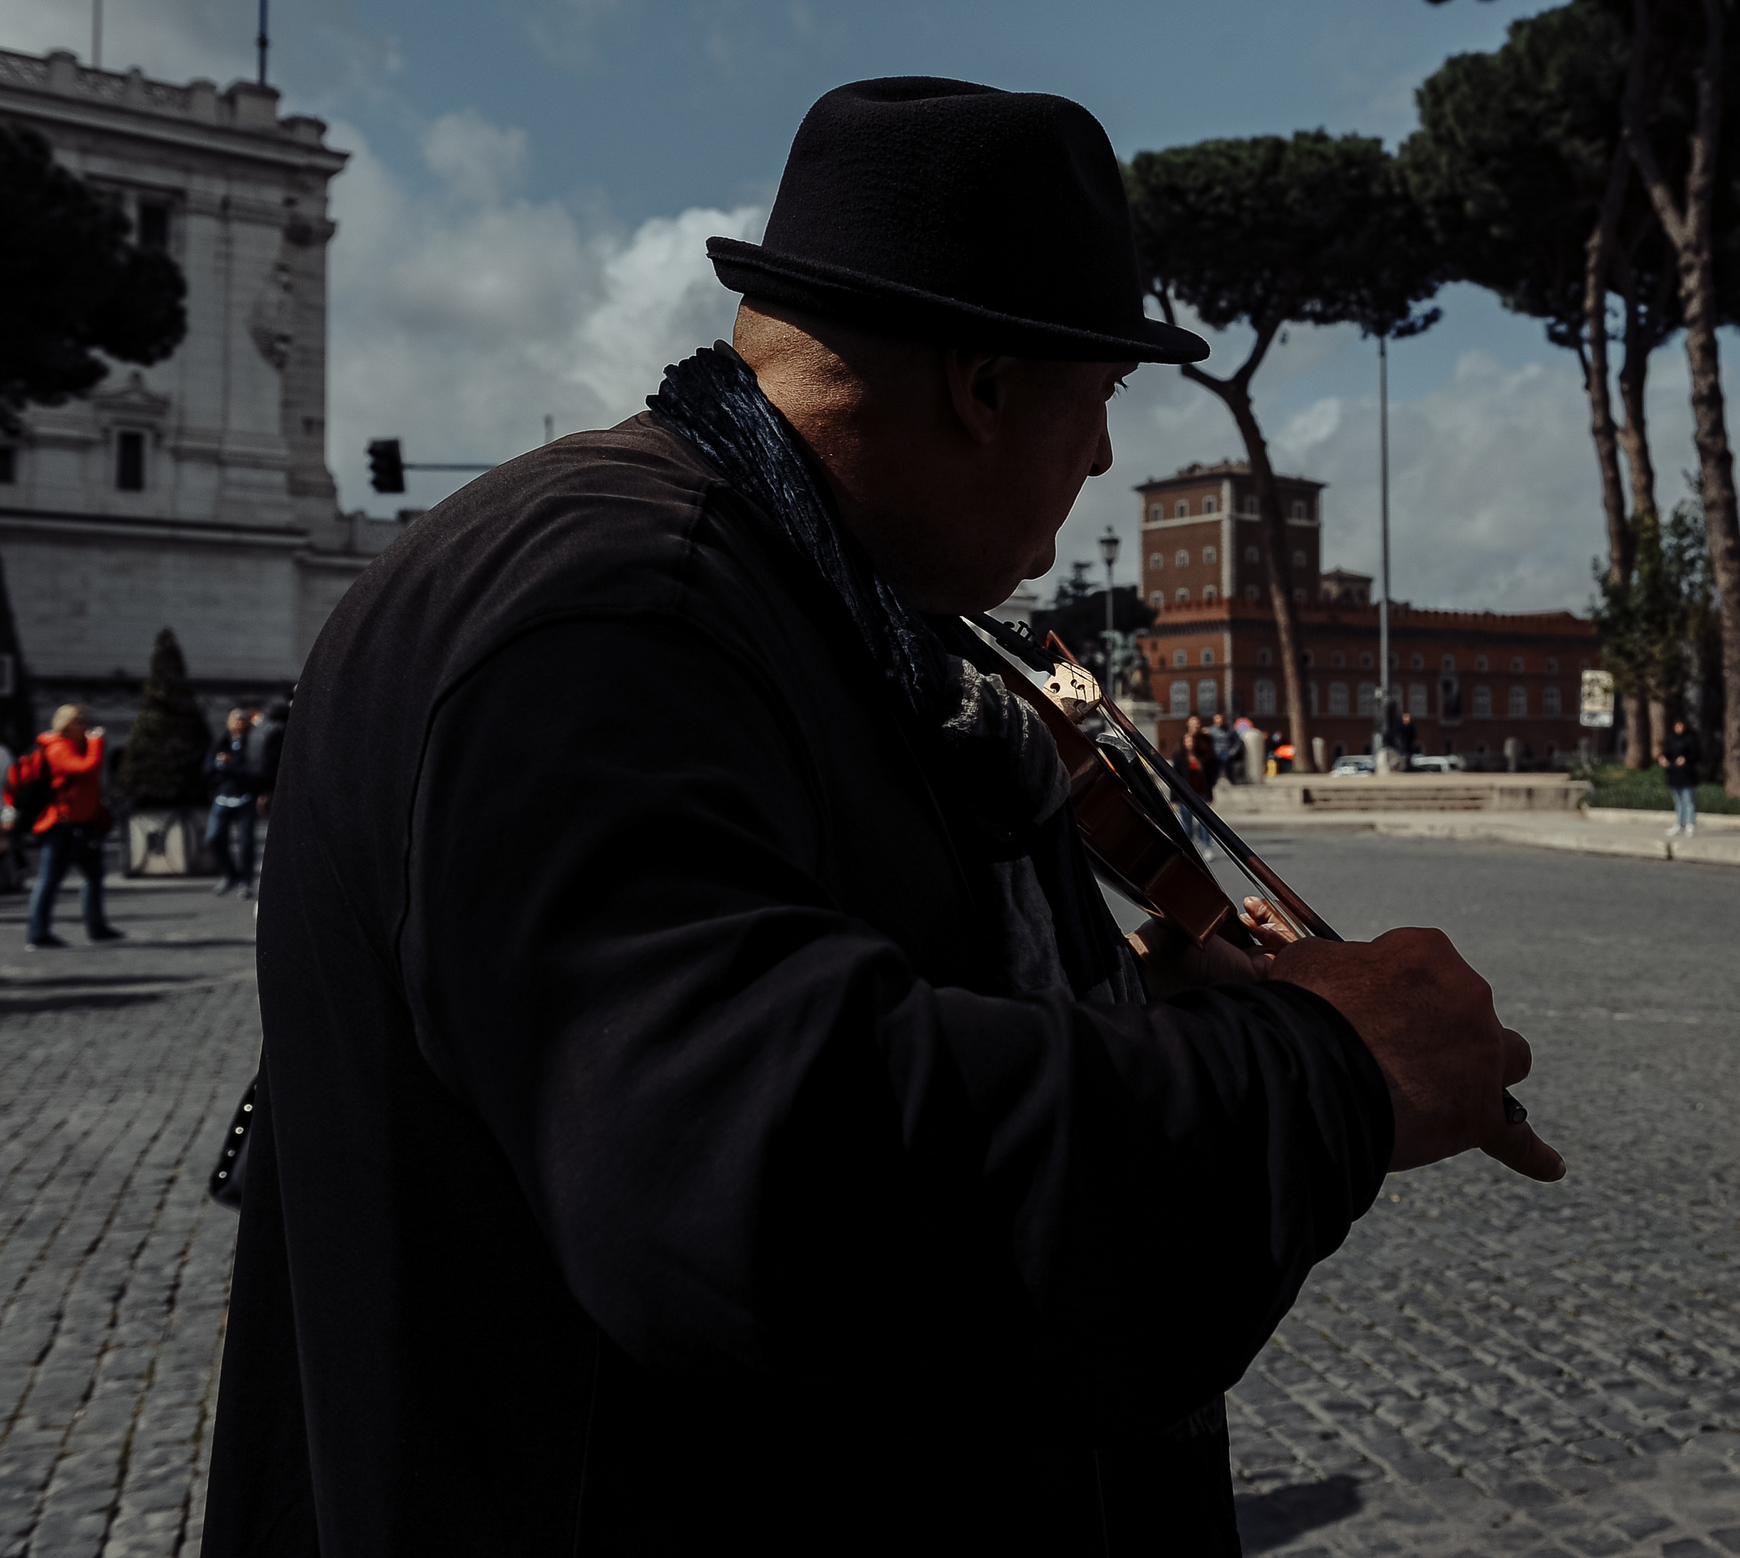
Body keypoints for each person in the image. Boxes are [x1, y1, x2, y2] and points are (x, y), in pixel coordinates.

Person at [204, 77, 1561, 1558]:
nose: (1103, 458)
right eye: (1097, 400)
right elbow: (776, 1174)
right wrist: (1324, 1072)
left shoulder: (760, 581)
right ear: (982, 387)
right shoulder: (617, 616)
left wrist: (1121, 1012)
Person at [24, 705, 122, 950]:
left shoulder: (75, 746)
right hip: (61, 826)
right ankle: (38, 933)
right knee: (49, 880)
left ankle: (97, 927)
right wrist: (97, 743)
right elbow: (86, 767)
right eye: (79, 721)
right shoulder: (56, 747)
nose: (85, 725)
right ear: (66, 724)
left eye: (85, 720)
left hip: (83, 825)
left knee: (94, 875)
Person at [204, 708, 262, 897]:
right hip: (222, 797)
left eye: (242, 720)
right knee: (214, 836)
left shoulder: (252, 744)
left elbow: (254, 769)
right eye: (235, 719)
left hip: (245, 797)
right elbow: (207, 768)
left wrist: (231, 766)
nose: (239, 723)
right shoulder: (220, 743)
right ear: (228, 722)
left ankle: (245, 881)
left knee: (246, 842)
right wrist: (218, 765)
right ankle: (229, 874)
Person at [1179, 712, 1220, 857]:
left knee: (1204, 822)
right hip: (1186, 790)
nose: (1195, 726)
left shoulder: (1205, 742)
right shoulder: (1182, 744)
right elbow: (1176, 772)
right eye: (1192, 724)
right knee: (1187, 823)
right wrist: (1174, 797)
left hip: (1202, 789)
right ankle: (1188, 849)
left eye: (1197, 724)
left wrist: (1211, 786)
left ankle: (1207, 846)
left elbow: (1212, 764)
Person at [1657, 714, 1703, 838]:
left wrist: (1686, 759)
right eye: (1677, 726)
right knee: (1678, 801)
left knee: (1688, 800)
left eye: (1681, 726)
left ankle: (1690, 824)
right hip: (1674, 774)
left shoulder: (1691, 738)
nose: (1679, 728)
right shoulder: (1671, 739)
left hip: (1688, 775)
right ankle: (1679, 824)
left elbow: (1696, 755)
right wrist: (1663, 759)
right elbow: (1667, 752)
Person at [1207, 710, 1241, 785]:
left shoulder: (1230, 729)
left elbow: (1237, 741)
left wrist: (1234, 750)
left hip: (1227, 752)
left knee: (1227, 761)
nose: (1219, 721)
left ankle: (1231, 781)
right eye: (1217, 719)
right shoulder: (1211, 730)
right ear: (1214, 721)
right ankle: (1213, 782)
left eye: (1220, 719)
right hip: (1215, 753)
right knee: (1214, 765)